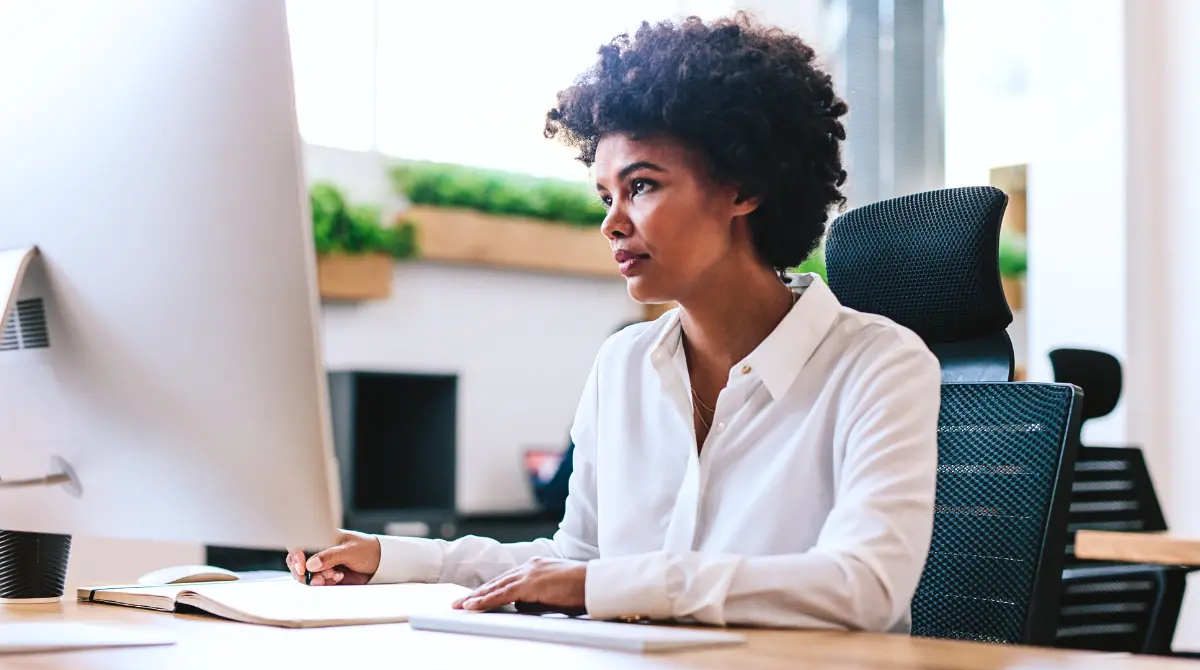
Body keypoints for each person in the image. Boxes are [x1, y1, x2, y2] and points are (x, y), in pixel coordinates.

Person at [287, 13, 941, 632]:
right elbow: (574, 560)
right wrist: (397, 560)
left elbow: (864, 586)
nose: (612, 222)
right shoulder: (623, 364)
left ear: (743, 188)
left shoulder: (879, 364)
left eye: (642, 186)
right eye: (606, 195)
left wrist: (611, 585)